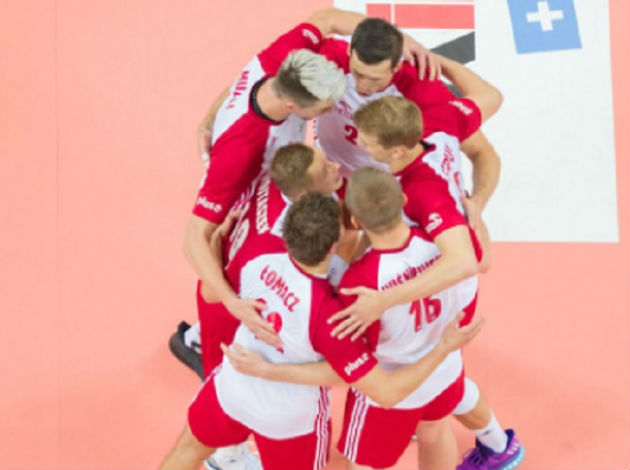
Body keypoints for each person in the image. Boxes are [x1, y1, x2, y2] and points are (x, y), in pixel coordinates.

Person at [159, 194, 483, 470]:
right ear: (334, 244)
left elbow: (211, 292)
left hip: (232, 386)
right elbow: (382, 390)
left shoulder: (257, 251)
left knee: (185, 453)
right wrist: (444, 348)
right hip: (290, 421)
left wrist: (216, 244)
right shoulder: (334, 310)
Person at [342, 99, 523, 469]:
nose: (358, 143)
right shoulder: (434, 233)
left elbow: (351, 355)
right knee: (436, 426)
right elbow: (480, 258)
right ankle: (496, 443)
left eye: (366, 141)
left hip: (397, 382)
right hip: (445, 345)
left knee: (363, 461)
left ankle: (495, 443)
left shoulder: (362, 282)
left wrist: (383, 300)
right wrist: (474, 211)